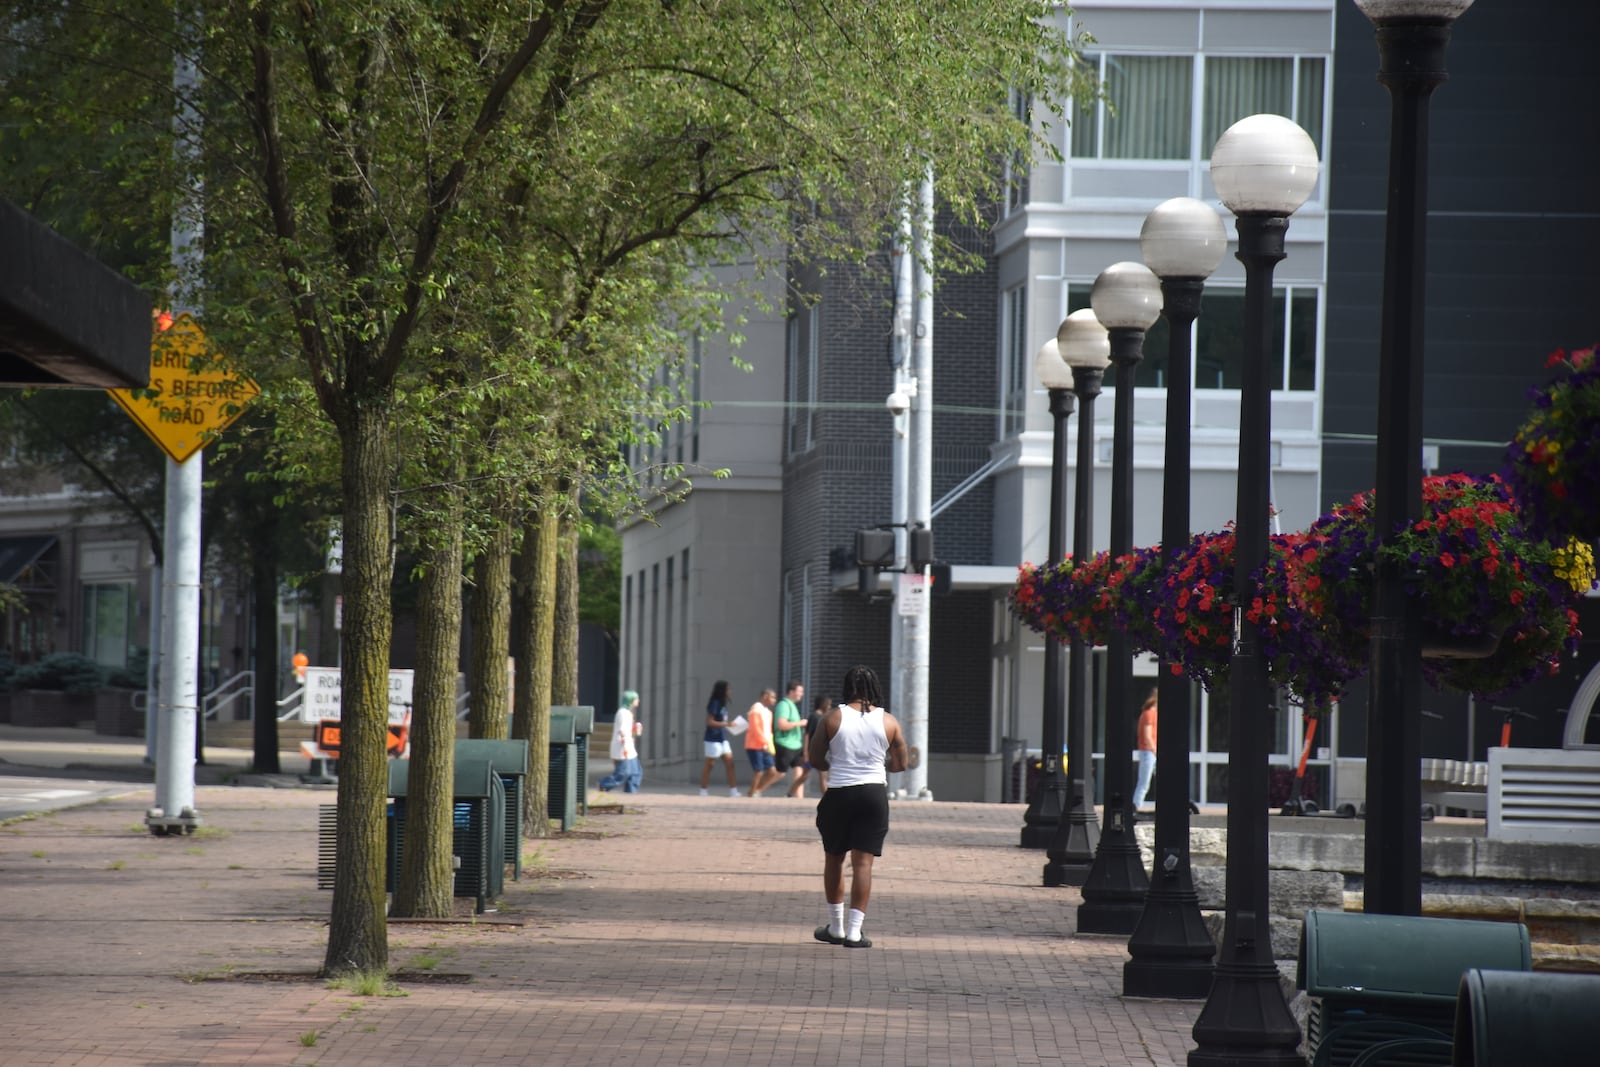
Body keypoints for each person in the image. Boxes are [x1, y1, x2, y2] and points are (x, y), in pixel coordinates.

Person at [808, 665, 911, 948]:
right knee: (863, 864)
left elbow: (815, 758)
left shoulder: (832, 717)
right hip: (874, 794)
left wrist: (838, 765)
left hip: (840, 792)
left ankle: (836, 927)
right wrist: (878, 763)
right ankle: (855, 932)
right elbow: (902, 764)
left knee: (834, 858)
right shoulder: (889, 721)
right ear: (874, 689)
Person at [699, 681, 741, 797]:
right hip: (712, 738)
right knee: (710, 764)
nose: (730, 692)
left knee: (730, 764)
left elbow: (722, 720)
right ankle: (703, 790)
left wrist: (728, 725)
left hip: (723, 738)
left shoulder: (723, 704)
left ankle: (733, 790)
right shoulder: (715, 703)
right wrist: (727, 725)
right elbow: (710, 722)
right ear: (722, 690)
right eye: (728, 689)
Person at [598, 690, 642, 793]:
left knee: (636, 772)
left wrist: (635, 729)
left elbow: (628, 730)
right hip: (623, 747)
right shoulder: (622, 713)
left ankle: (631, 792)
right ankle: (604, 784)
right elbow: (621, 731)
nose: (638, 701)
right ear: (631, 700)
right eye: (636, 699)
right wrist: (624, 746)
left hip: (630, 747)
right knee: (623, 773)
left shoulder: (628, 713)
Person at [773, 680, 808, 797]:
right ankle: (757, 789)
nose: (801, 694)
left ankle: (799, 799)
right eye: (800, 691)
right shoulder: (783, 705)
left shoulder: (792, 705)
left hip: (796, 745)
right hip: (785, 744)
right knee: (780, 773)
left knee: (799, 772)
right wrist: (800, 723)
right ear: (791, 691)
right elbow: (781, 725)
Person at [744, 687, 781, 797]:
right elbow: (755, 729)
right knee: (758, 771)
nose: (774, 700)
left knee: (772, 771)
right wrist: (764, 742)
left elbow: (768, 730)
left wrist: (769, 744)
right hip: (754, 746)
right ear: (765, 697)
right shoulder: (756, 710)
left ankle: (757, 790)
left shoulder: (768, 712)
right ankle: (751, 794)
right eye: (772, 697)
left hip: (765, 745)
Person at [795, 693, 831, 797]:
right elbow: (807, 735)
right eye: (828, 704)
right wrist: (806, 753)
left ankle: (826, 798)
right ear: (822, 704)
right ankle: (790, 793)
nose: (829, 707)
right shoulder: (814, 716)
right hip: (811, 752)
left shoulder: (825, 717)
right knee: (804, 776)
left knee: (822, 775)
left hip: (820, 752)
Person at [1132, 688, 1158, 813]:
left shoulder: (1153, 713)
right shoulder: (1149, 713)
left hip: (1151, 752)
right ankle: (1135, 807)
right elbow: (1147, 736)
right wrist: (1154, 750)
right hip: (1149, 752)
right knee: (1144, 783)